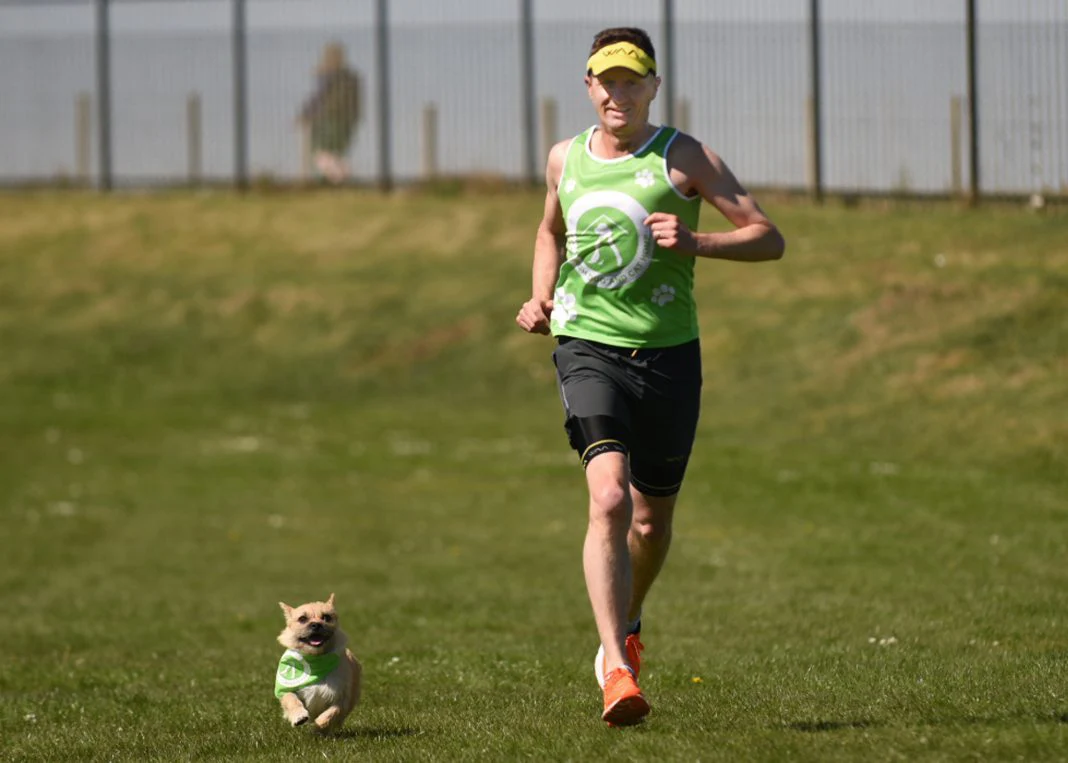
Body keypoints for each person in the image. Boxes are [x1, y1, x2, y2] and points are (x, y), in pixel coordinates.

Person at [515, 27, 785, 727]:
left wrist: (699, 241)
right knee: (606, 497)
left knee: (649, 517)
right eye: (606, 79)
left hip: (668, 354)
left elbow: (767, 235)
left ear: (653, 87)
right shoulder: (564, 158)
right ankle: (616, 667)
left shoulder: (683, 156)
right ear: (587, 86)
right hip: (587, 345)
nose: (617, 92)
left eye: (632, 80)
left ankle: (628, 615)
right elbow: (549, 230)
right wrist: (542, 294)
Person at [298, 42, 362, 184]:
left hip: (330, 121)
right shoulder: (351, 77)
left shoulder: (331, 77)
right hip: (347, 122)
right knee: (335, 155)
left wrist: (306, 115)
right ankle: (344, 178)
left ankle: (339, 179)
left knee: (321, 154)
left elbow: (320, 98)